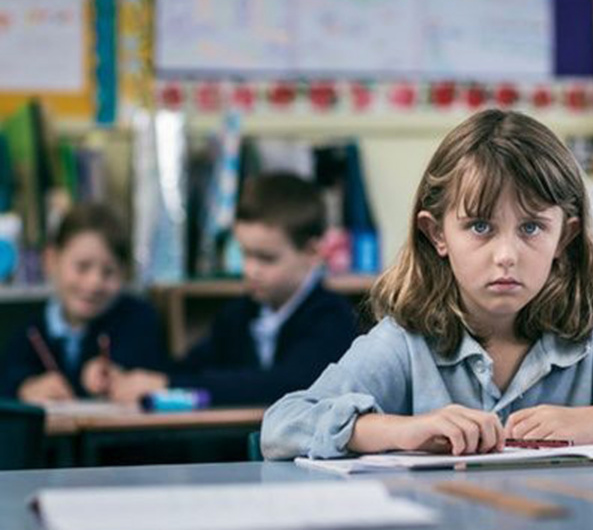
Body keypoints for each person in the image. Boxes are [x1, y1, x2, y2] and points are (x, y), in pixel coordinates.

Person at [260, 109, 593, 459]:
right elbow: (281, 426)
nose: (506, 255)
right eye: (479, 226)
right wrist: (397, 430)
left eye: (532, 228)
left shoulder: (590, 345)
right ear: (437, 235)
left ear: (565, 237)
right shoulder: (403, 346)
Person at [109, 173, 360, 406]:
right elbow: (189, 367)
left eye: (266, 258)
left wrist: (169, 384)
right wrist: (126, 374)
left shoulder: (332, 318)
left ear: (313, 252)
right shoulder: (239, 314)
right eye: (245, 254)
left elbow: (285, 385)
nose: (251, 270)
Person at [0, 203, 166, 403]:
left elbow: (152, 373)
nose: (94, 283)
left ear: (124, 273)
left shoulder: (140, 320)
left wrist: (118, 377)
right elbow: (8, 378)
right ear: (51, 260)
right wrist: (25, 388)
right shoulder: (29, 331)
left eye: (109, 272)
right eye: (82, 267)